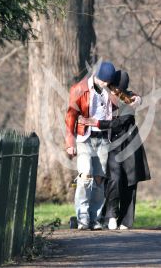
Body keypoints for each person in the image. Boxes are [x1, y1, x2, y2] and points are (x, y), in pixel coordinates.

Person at [79, 70, 150, 230]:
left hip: (130, 142)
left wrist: (96, 123)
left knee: (130, 180)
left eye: (117, 88)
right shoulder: (104, 96)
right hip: (112, 143)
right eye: (113, 87)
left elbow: (119, 123)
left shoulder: (129, 99)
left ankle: (126, 219)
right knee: (114, 178)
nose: (114, 91)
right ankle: (110, 214)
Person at [65, 61, 116, 230]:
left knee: (99, 179)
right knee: (85, 176)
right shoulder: (79, 89)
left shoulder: (110, 91)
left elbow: (128, 101)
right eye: (103, 81)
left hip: (103, 139)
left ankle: (95, 217)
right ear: (96, 76)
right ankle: (83, 218)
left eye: (108, 82)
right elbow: (71, 116)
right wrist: (69, 142)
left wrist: (124, 95)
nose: (105, 84)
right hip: (85, 138)